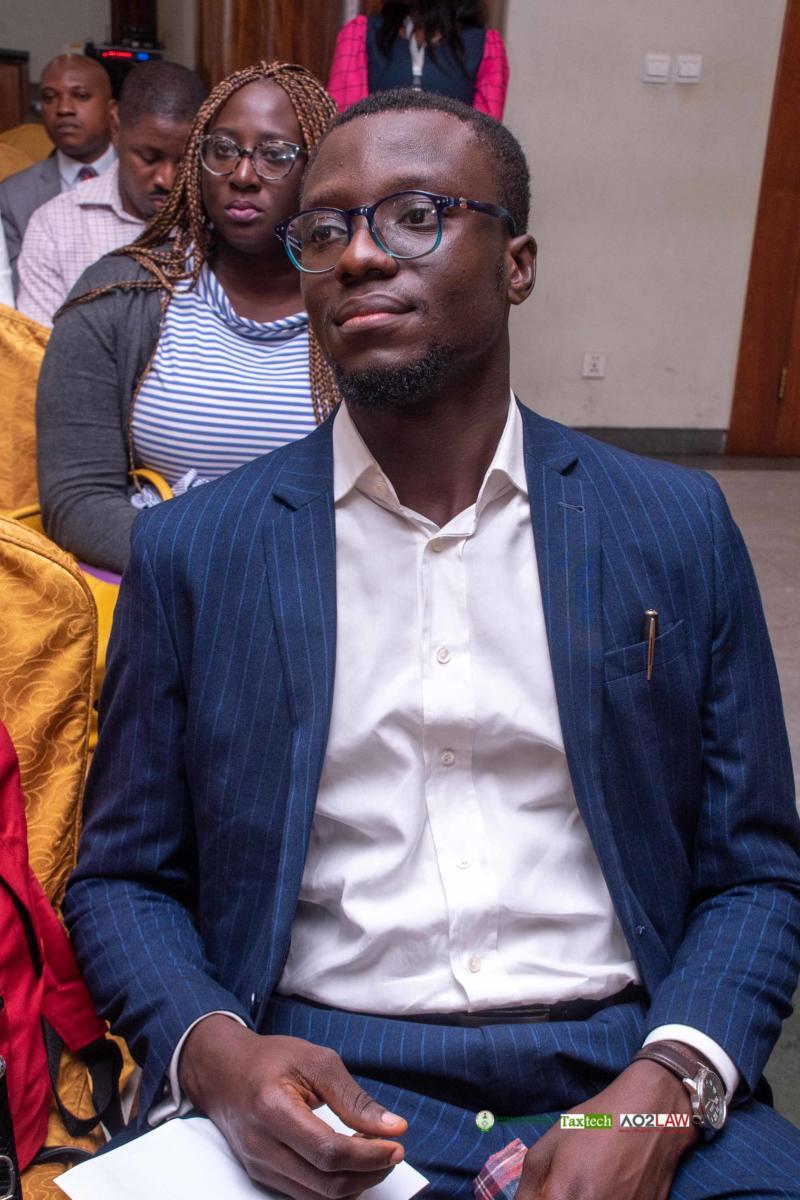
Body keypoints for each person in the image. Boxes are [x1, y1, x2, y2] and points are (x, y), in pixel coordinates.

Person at [64, 89, 800, 1200]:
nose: (359, 256)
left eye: (416, 216)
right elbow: (122, 878)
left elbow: (754, 874)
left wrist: (658, 1098)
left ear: (517, 263)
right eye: (324, 230)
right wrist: (218, 1060)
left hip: (623, 1065)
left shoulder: (671, 525)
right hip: (313, 1072)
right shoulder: (199, 551)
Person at [36, 61, 337, 575]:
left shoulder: (359, 300)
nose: (242, 176)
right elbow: (77, 500)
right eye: (222, 150)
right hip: (164, 586)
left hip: (318, 586)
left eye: (275, 155)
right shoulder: (118, 293)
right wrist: (213, 566)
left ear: (320, 168)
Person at [16, 62, 206, 326]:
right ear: (115, 126)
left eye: (184, 161)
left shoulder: (216, 223)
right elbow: (39, 346)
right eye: (149, 158)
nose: (167, 179)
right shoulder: (54, 225)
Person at [0, 55, 116, 291]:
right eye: (49, 98)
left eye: (81, 96)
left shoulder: (147, 181)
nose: (63, 109)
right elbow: (18, 291)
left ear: (112, 110)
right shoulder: (13, 196)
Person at [328, 0, 508, 118]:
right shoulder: (360, 35)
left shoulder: (485, 47)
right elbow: (345, 128)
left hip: (451, 165)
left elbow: (486, 143)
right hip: (375, 163)